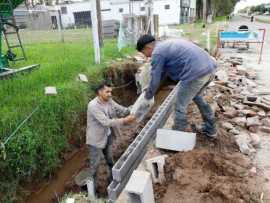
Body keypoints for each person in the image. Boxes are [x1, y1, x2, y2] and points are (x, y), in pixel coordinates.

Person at [136, 35, 217, 138]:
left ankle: (176, 137)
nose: (146, 57)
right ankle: (211, 129)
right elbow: (164, 72)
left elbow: (155, 78)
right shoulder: (166, 45)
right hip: (209, 68)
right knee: (197, 96)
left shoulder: (158, 53)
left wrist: (147, 97)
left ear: (147, 47)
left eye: (144, 53)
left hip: (195, 74)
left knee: (179, 106)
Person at [86, 82, 136, 194]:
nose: (110, 94)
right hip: (95, 140)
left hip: (107, 135)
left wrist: (135, 108)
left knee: (109, 159)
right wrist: (125, 120)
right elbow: (106, 122)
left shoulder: (109, 101)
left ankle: (112, 179)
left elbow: (122, 110)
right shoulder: (93, 105)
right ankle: (92, 192)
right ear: (99, 92)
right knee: (95, 165)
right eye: (107, 92)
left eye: (110, 91)